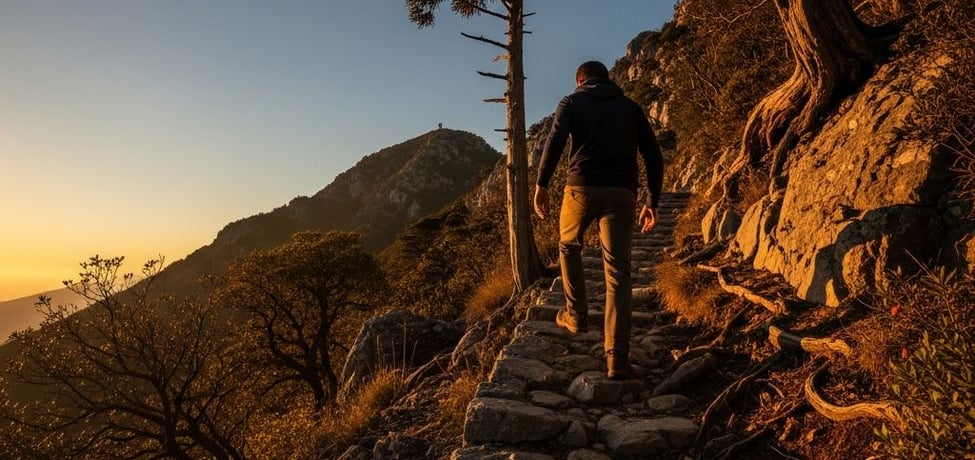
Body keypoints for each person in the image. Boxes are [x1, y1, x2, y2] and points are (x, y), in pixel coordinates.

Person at [533, 60, 663, 380]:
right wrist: (652, 202)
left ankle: (576, 315)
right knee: (618, 271)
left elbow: (555, 140)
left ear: (580, 80)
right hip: (622, 193)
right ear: (608, 80)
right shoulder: (631, 107)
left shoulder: (572, 101)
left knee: (568, 246)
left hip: (580, 188)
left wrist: (542, 184)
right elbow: (653, 155)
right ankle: (616, 357)